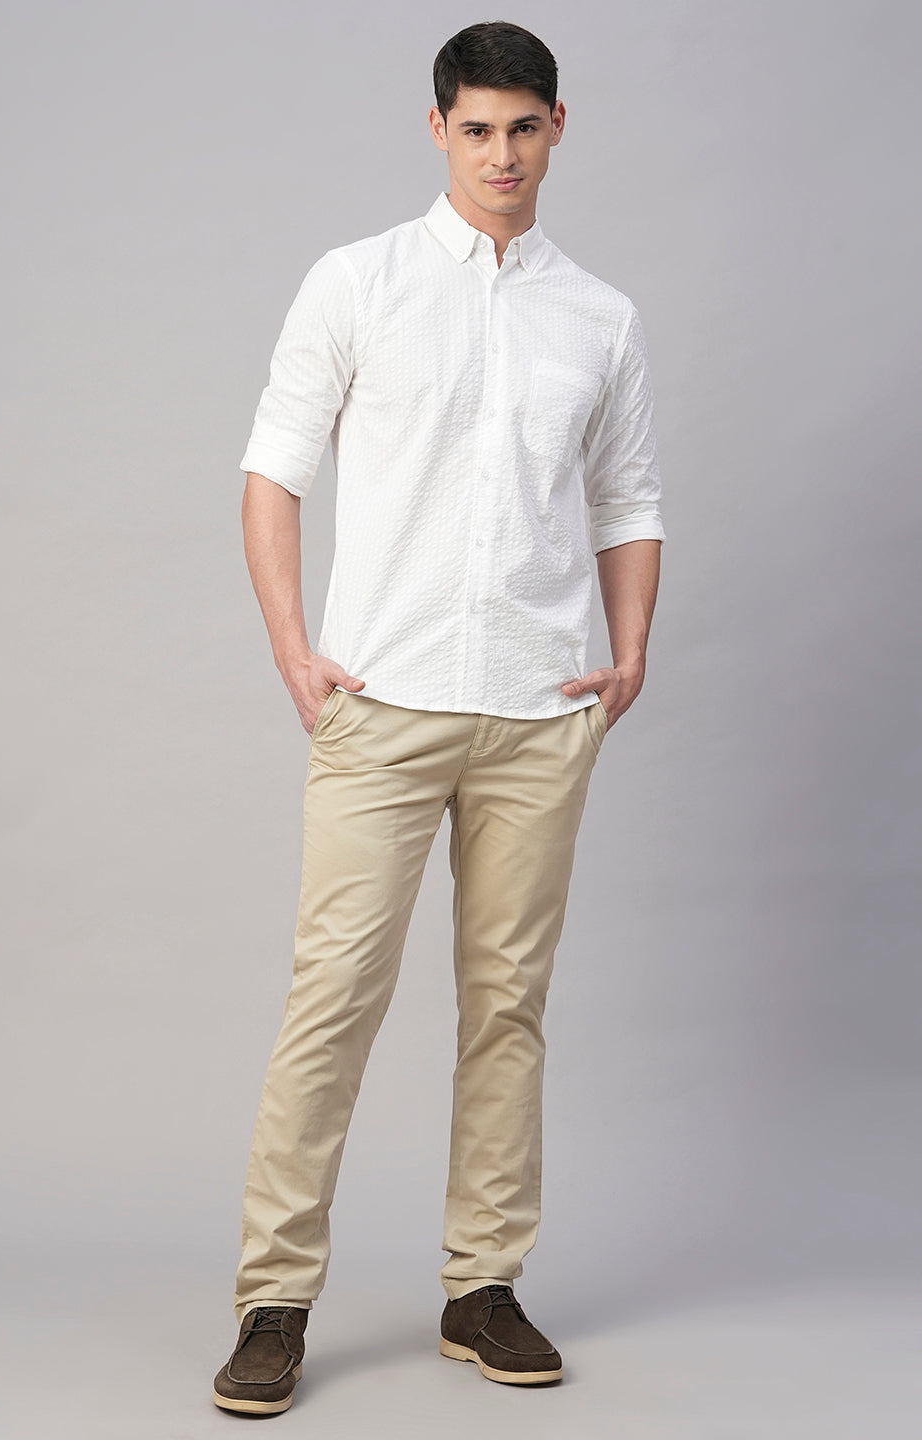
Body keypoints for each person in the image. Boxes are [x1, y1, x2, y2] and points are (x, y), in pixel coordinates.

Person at [212, 19, 665, 1416]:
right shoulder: (358, 283)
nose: (501, 155)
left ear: (558, 129)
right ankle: (274, 1302)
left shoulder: (599, 316)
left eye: (524, 128)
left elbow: (629, 498)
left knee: (508, 1006)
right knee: (333, 998)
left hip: (538, 710)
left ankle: (483, 1286)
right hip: (385, 704)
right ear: (438, 130)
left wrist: (628, 656)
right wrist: (294, 651)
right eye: (477, 128)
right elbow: (272, 470)